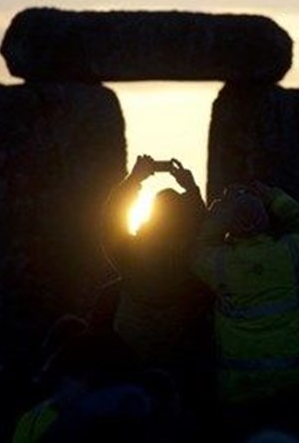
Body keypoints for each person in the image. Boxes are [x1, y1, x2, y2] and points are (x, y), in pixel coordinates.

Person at [192, 181, 299, 440]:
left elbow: (198, 247)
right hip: (293, 381)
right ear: (265, 220)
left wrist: (223, 209)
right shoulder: (292, 253)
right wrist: (274, 196)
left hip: (241, 387)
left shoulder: (220, 264)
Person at [100, 154, 214, 421]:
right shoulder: (194, 259)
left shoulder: (131, 256)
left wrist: (134, 180)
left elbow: (110, 222)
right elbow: (206, 228)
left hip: (133, 358)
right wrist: (191, 189)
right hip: (180, 358)